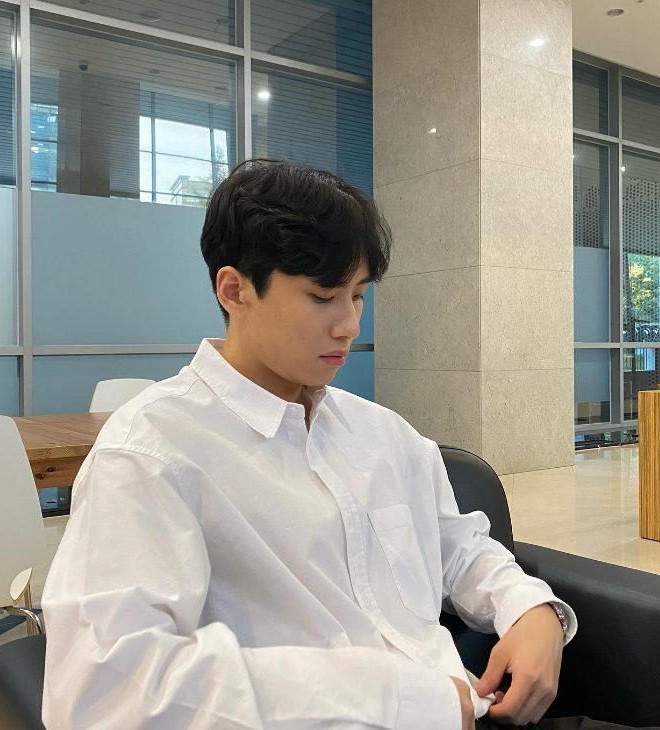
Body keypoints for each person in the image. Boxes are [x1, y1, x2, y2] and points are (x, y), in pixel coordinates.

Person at [38, 160, 640, 730]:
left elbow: (456, 548)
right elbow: (106, 692)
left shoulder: (382, 434)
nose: (350, 324)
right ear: (235, 291)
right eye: (323, 296)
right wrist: (402, 700)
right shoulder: (151, 454)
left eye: (358, 294)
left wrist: (528, 608)